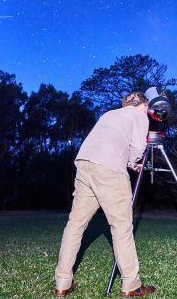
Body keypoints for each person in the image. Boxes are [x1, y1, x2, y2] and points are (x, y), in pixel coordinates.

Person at [54, 91, 157, 298]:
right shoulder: (139, 115)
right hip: (109, 170)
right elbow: (137, 147)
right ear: (144, 105)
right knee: (121, 228)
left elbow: (112, 141)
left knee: (75, 225)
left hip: (85, 164)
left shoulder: (109, 114)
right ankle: (131, 286)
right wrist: (133, 160)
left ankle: (62, 284)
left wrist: (128, 161)